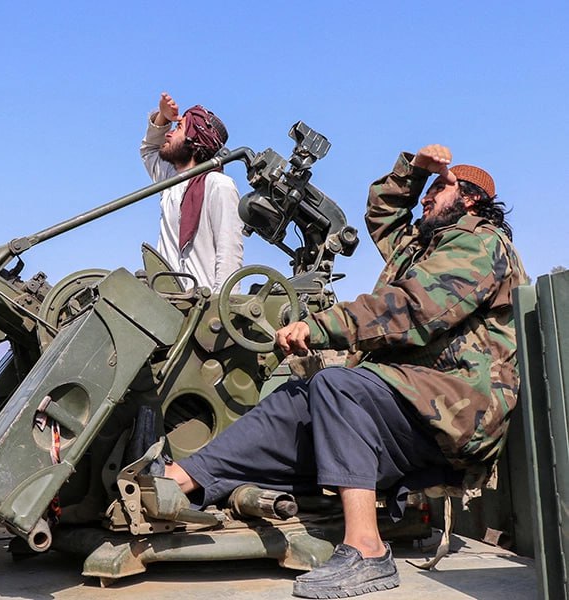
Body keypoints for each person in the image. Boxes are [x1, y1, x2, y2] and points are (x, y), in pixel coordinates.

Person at [163, 144, 528, 598]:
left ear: (470, 199)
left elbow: (415, 309)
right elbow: (383, 215)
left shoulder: (481, 243)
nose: (428, 197)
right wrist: (414, 172)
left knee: (338, 387)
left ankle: (367, 550)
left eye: (439, 188)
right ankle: (183, 477)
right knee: (297, 399)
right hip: (413, 401)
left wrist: (320, 327)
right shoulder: (423, 246)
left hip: (458, 408)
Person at [141, 92, 244, 292]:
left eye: (178, 128)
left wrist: (221, 304)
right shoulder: (170, 180)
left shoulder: (218, 185)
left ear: (194, 141)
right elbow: (150, 150)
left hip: (202, 302)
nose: (168, 134)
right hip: (166, 300)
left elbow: (229, 252)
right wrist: (163, 118)